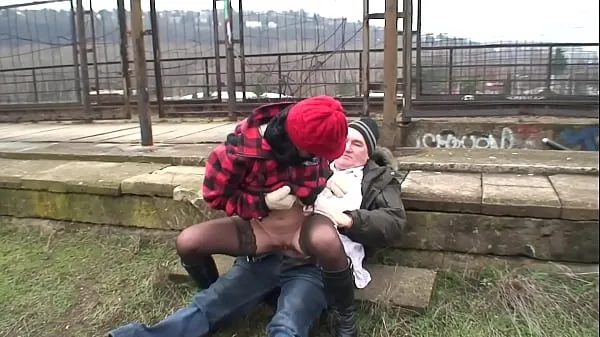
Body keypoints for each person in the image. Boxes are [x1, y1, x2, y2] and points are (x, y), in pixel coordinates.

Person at [108, 115, 406, 337]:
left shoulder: (377, 180)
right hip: (265, 254)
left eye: (358, 144)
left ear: (369, 152)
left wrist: (347, 219)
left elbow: (392, 222)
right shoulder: (305, 161)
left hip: (314, 266)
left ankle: (339, 317)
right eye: (345, 141)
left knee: (287, 323)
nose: (348, 148)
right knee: (207, 306)